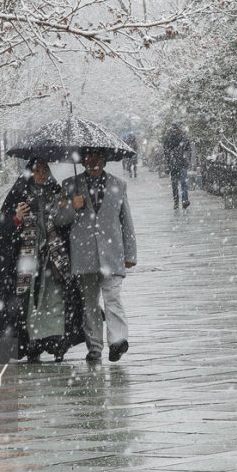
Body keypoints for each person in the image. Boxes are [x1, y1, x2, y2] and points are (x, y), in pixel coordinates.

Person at [0, 159, 84, 363]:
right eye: (36, 170)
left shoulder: (57, 192)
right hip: (26, 262)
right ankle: (31, 344)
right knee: (28, 304)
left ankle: (55, 342)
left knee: (54, 301)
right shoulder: (19, 195)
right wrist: (17, 218)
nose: (40, 174)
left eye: (44, 170)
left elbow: (64, 225)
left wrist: (68, 208)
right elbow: (1, 233)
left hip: (53, 262)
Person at [54, 150, 137, 363]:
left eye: (98, 158)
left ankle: (118, 340)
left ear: (104, 160)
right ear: (83, 161)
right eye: (90, 158)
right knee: (90, 303)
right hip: (84, 254)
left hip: (112, 253)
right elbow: (59, 219)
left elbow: (126, 221)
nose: (94, 162)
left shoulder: (119, 185)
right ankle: (95, 347)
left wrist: (131, 253)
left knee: (113, 298)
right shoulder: (69, 185)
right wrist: (73, 206)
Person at [161, 122, 192, 209]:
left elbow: (166, 151)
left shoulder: (170, 138)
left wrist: (169, 160)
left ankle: (179, 201)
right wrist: (186, 160)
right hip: (179, 163)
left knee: (177, 184)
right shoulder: (181, 138)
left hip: (176, 164)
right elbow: (188, 150)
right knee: (182, 183)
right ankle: (182, 200)